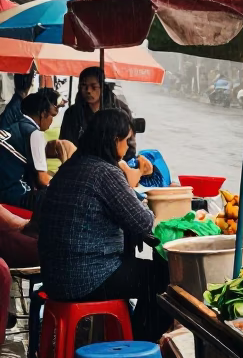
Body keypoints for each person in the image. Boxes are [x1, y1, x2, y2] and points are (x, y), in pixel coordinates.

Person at [38, 109, 170, 342]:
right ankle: (136, 346)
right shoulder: (105, 172)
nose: (128, 146)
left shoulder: (71, 166)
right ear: (113, 140)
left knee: (142, 267)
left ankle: (127, 337)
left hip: (53, 276)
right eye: (126, 140)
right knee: (165, 276)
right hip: (85, 278)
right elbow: (143, 221)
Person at [0, 88, 61, 207]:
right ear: (43, 114)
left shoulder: (14, 126)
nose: (51, 121)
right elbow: (43, 179)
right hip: (14, 194)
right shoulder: (35, 133)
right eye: (51, 116)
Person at [60, 67, 133, 149]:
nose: (88, 91)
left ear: (102, 87)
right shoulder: (72, 113)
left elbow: (129, 143)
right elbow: (66, 145)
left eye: (93, 86)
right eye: (84, 86)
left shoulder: (120, 110)